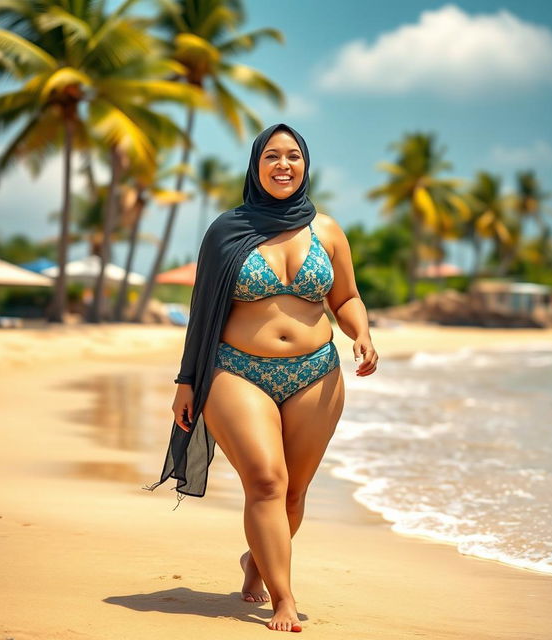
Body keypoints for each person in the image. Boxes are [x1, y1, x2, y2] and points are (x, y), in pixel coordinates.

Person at [146, 123, 378, 633]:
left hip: (317, 373)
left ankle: (257, 561)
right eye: (271, 156)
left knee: (294, 493)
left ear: (305, 165)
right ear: (256, 166)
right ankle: (285, 601)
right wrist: (187, 382)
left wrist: (360, 332)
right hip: (238, 371)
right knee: (268, 482)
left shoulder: (329, 232)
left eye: (293, 156)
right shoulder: (227, 231)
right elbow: (202, 310)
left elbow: (346, 298)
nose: (283, 165)